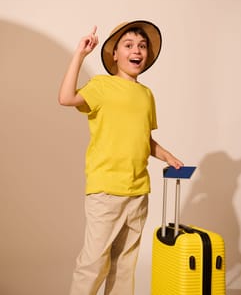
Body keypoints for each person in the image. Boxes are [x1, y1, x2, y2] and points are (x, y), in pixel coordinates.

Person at [58, 20, 184, 295]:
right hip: (106, 190)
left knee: (125, 265)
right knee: (94, 263)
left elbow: (144, 140)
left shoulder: (146, 95)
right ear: (115, 54)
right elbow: (66, 98)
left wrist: (167, 156)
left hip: (138, 191)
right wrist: (79, 55)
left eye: (142, 46)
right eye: (128, 45)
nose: (136, 50)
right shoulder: (101, 86)